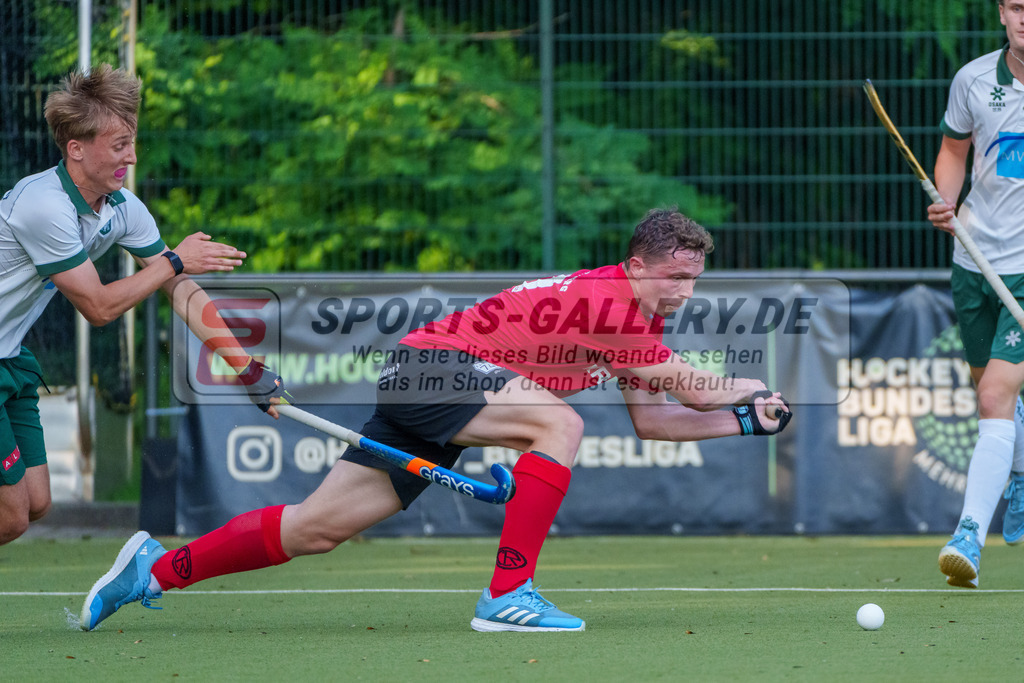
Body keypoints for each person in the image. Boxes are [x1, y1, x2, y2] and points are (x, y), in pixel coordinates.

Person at [80, 207, 792, 633]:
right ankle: (508, 594)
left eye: (695, 279)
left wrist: (750, 424)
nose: (685, 290)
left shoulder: (633, 321)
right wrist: (747, 385)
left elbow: (659, 421)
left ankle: (154, 568)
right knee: (560, 426)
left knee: (315, 528)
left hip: (442, 389)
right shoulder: (608, 304)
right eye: (675, 276)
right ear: (637, 264)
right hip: (437, 369)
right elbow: (698, 391)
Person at [0, 64, 287, 546]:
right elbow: (99, 307)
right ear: (76, 149)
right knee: (11, 517)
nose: (131, 158)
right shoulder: (43, 205)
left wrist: (244, 368)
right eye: (118, 146)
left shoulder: (120, 207)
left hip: (10, 356)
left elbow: (180, 289)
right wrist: (174, 260)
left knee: (37, 499)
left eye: (132, 143)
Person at [927, 0, 1024, 588]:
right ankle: (1016, 470)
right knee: (986, 390)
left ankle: (968, 536)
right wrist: (946, 203)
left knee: (994, 396)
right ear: (1002, 13)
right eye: (1017, 5)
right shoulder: (973, 79)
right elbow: (953, 152)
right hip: (974, 259)